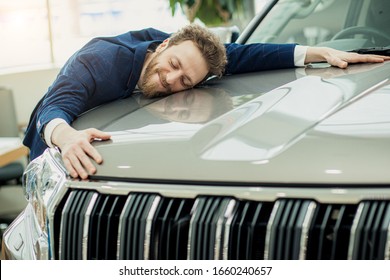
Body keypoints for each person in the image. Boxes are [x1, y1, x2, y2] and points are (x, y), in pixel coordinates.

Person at [23, 24, 390, 179]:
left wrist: (317, 52)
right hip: (54, 147)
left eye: (186, 81)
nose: (171, 80)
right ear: (164, 45)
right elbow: (58, 104)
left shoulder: (188, 53)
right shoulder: (101, 60)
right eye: (172, 66)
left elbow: (244, 54)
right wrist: (66, 136)